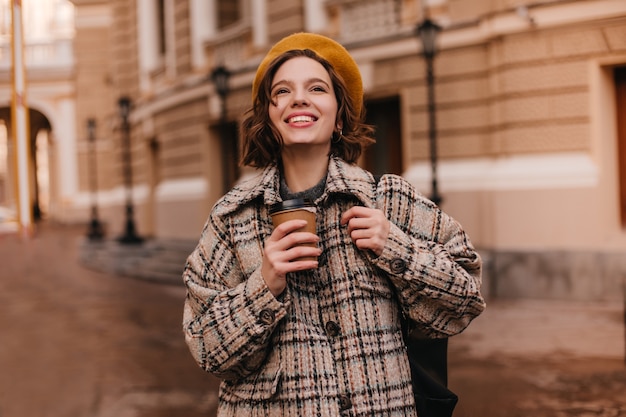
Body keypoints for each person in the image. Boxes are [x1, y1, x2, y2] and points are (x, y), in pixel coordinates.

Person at [182, 32, 486, 416]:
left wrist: (395, 248)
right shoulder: (232, 218)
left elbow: (465, 301)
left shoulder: (387, 200)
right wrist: (264, 285)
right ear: (270, 118)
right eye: (282, 91)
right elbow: (207, 350)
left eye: (317, 88)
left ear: (340, 116)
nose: (299, 98)